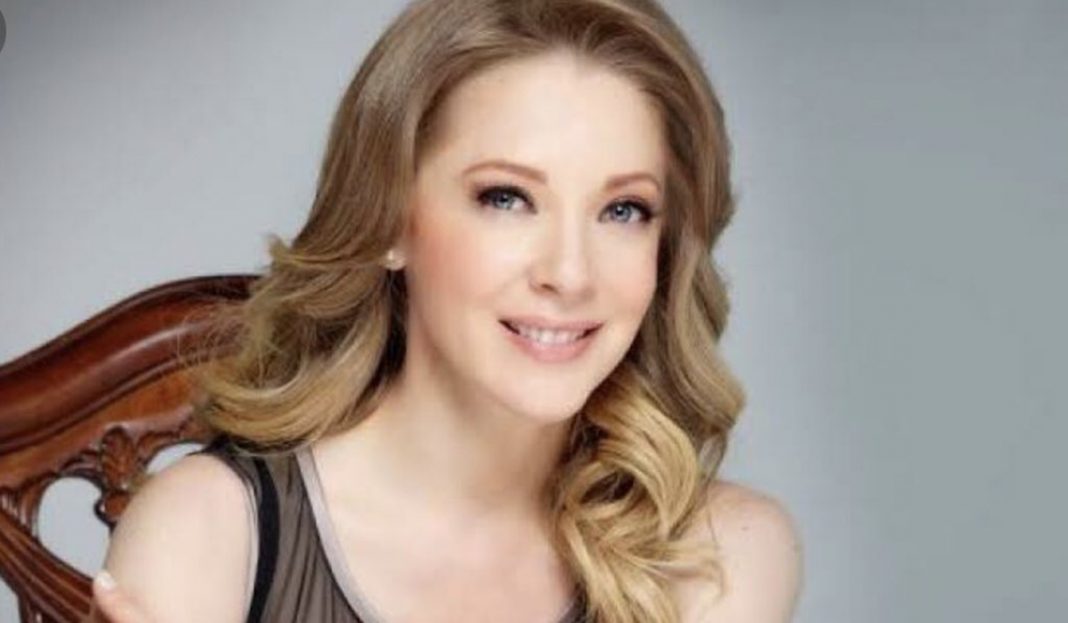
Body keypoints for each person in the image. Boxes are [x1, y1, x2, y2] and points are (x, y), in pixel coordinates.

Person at [87, 0, 802, 621]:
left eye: (623, 210)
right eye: (506, 198)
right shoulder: (206, 533)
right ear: (389, 219)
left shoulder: (720, 554)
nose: (569, 274)